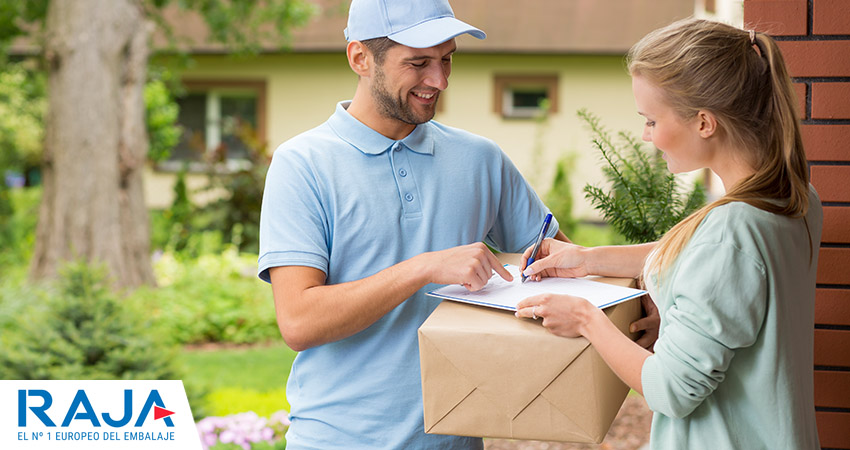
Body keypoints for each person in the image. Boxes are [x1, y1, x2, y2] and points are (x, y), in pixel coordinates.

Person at [258, 0, 569, 448]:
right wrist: (424, 268)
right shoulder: (303, 164)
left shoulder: (481, 159)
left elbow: (565, 262)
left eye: (446, 60)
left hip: (456, 440)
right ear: (360, 58)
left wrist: (641, 300)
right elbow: (299, 322)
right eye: (418, 62)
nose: (438, 81)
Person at [516, 18, 822, 450]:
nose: (646, 136)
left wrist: (587, 319)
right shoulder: (793, 197)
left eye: (651, 120)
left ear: (704, 122)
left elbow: (671, 391)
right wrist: (588, 258)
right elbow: (709, 261)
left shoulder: (730, 232)